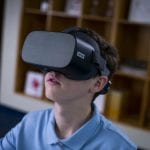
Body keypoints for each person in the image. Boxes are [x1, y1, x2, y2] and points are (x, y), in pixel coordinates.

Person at [0, 27, 137, 150]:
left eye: (70, 63)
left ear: (98, 84)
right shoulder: (31, 123)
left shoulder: (119, 146)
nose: (54, 70)